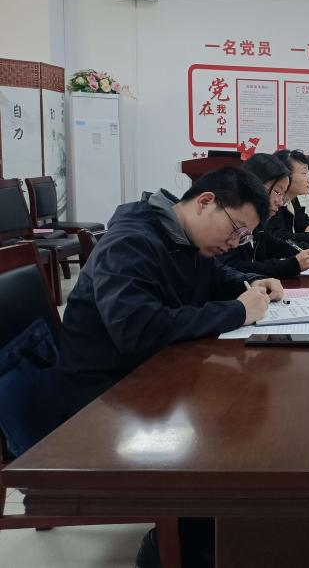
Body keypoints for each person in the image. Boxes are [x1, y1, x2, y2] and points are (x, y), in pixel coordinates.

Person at [0, 167, 282, 457]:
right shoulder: (130, 242)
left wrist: (251, 283)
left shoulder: (185, 239)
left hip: (153, 375)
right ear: (205, 202)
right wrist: (237, 311)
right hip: (105, 398)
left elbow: (216, 277)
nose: (235, 243)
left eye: (244, 237)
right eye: (236, 230)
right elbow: (139, 330)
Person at [218, 154, 309, 278]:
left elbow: (274, 244)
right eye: (278, 192)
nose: (280, 202)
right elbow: (233, 268)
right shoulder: (228, 219)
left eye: (283, 194)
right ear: (256, 185)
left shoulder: (256, 222)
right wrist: (292, 265)